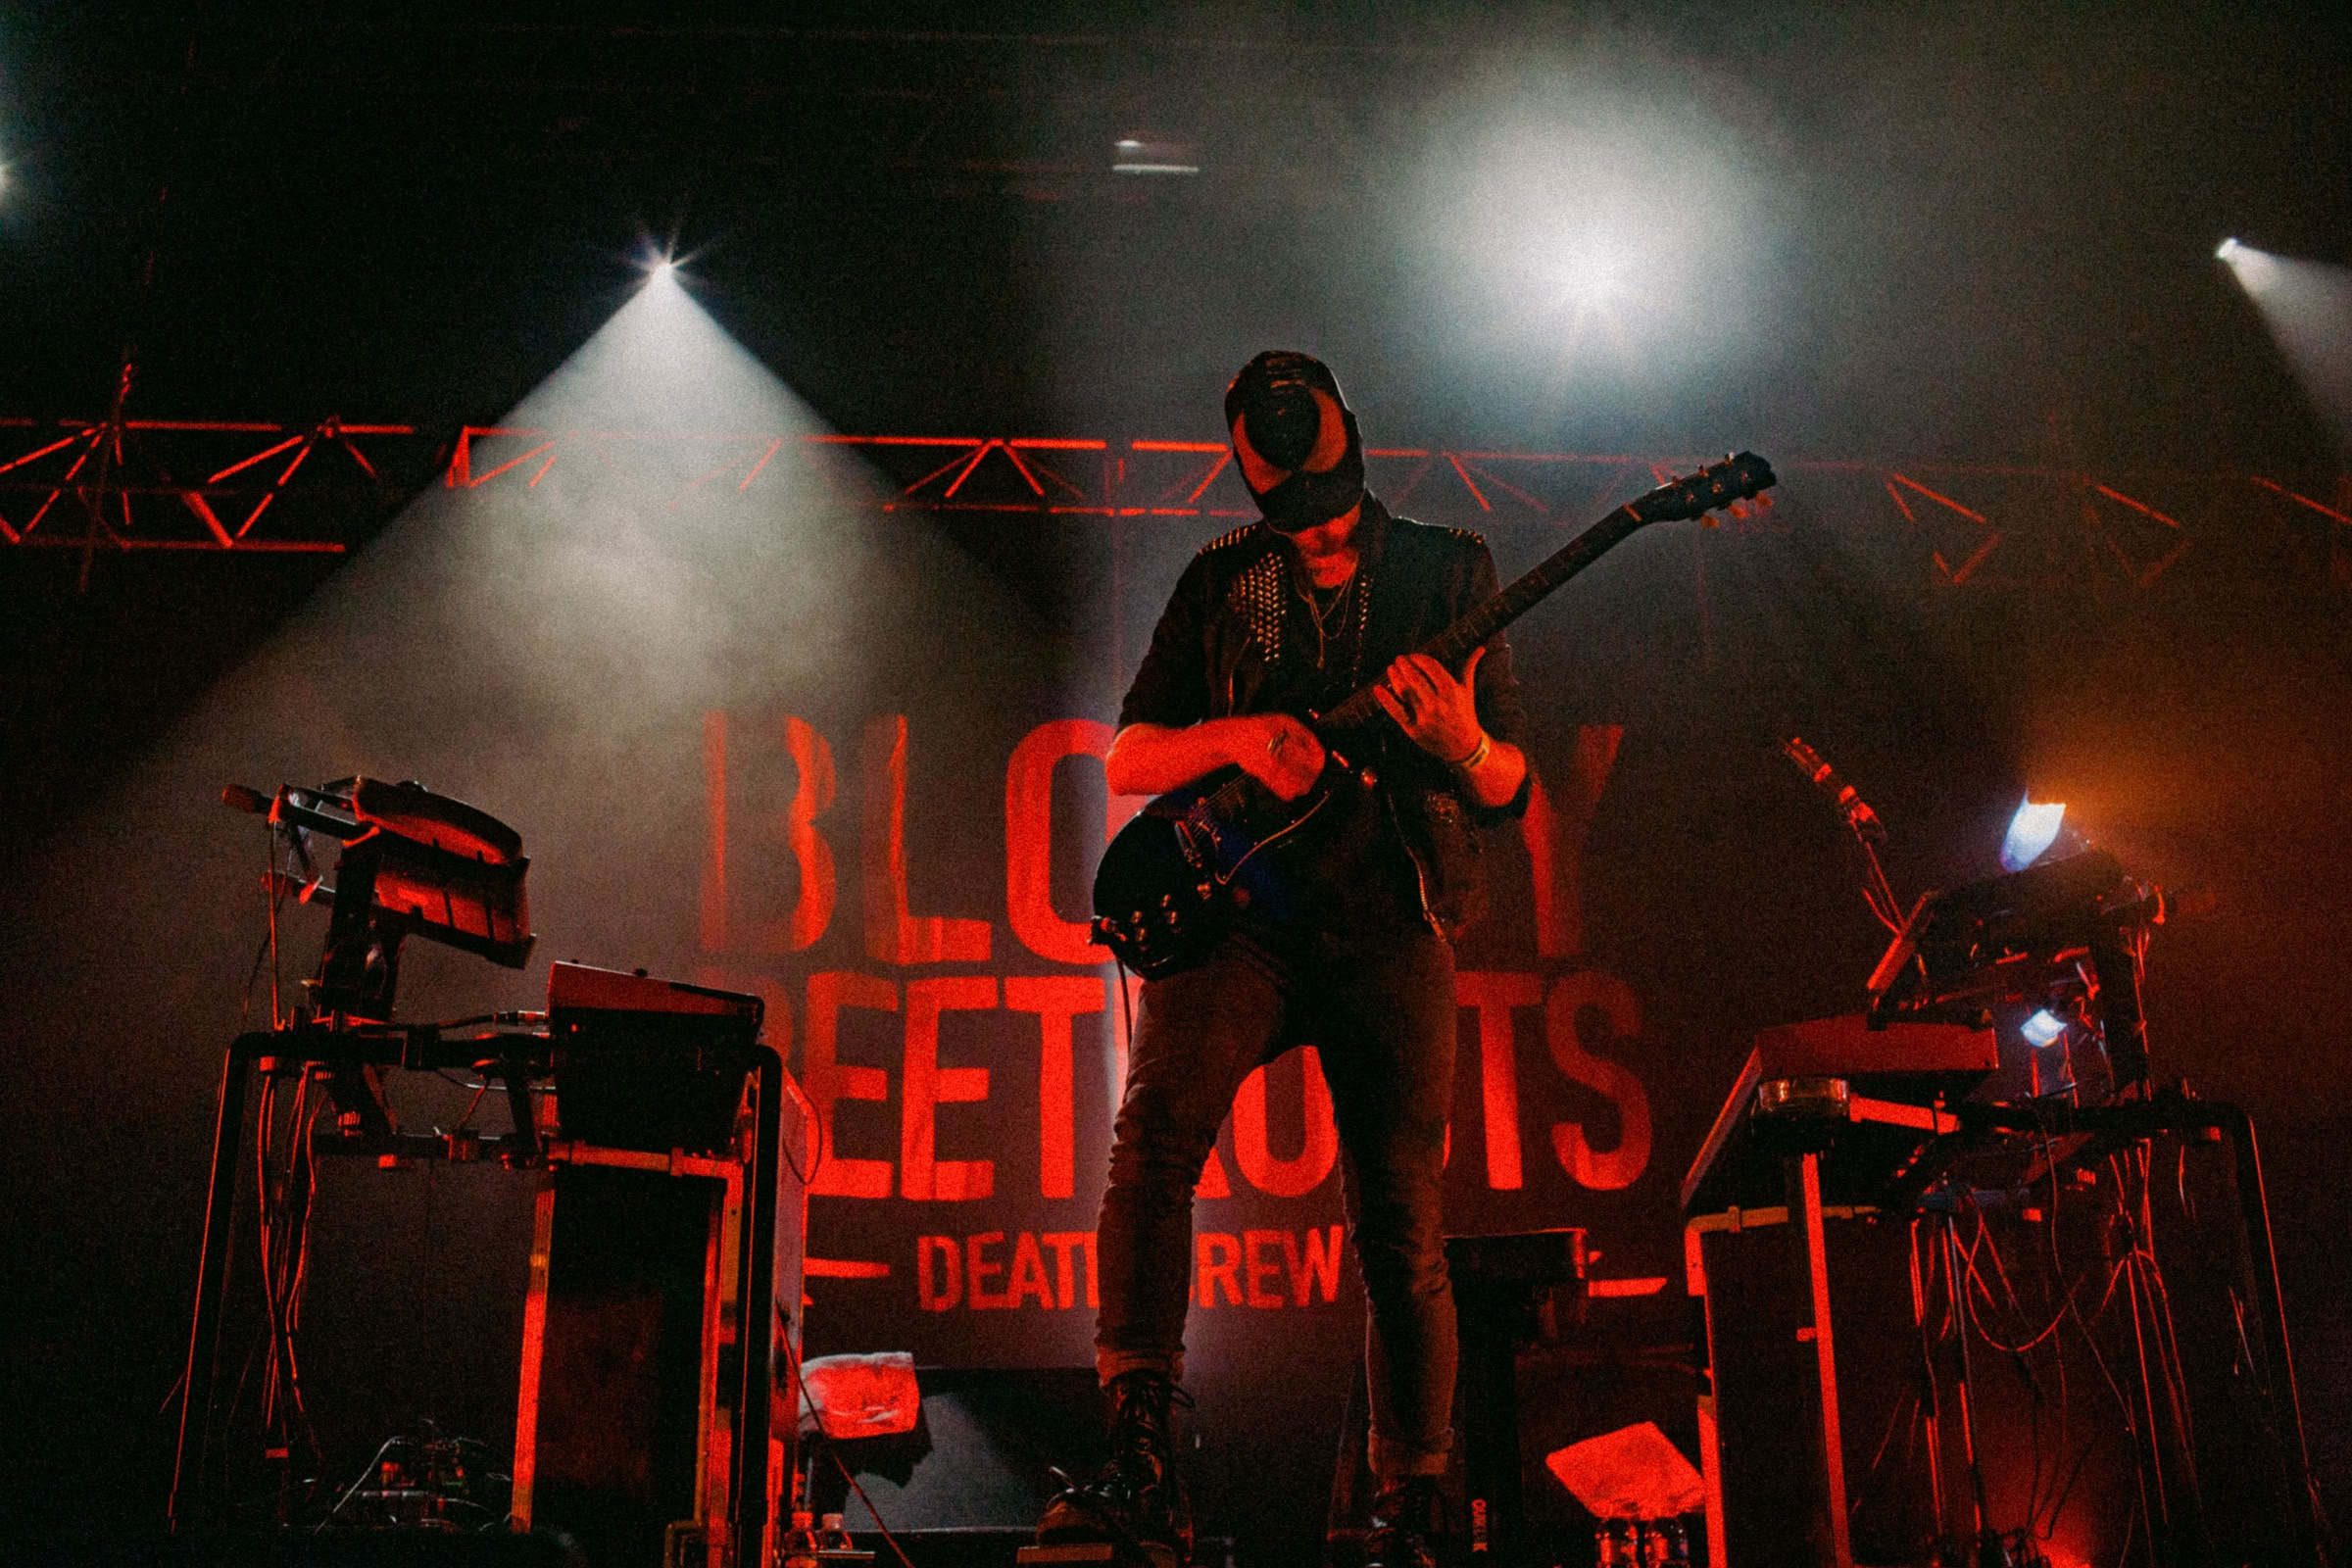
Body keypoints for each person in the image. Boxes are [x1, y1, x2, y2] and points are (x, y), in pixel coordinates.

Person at [1038, 351, 1531, 1568]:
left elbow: (1510, 785)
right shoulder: (1223, 577)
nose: (1317, 536)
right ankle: (1141, 1457)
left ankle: (1411, 1502)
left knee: (1402, 1218)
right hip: (1237, 922)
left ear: (1355, 447)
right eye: (1292, 516)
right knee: (1152, 1145)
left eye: (1330, 508)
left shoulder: (1448, 568)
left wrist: (1463, 740)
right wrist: (1244, 736)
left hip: (1392, 918)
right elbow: (1130, 757)